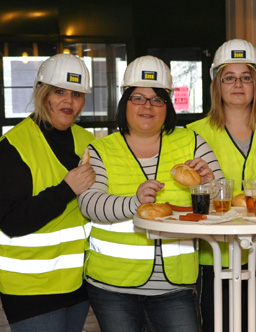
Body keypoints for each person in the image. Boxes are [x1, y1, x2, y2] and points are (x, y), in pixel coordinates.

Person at [77, 55, 223, 332]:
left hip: (175, 286)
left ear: (167, 106)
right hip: (112, 285)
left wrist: (208, 184)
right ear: (125, 102)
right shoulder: (100, 149)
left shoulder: (192, 142)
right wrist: (135, 202)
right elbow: (90, 204)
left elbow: (219, 205)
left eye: (157, 99)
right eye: (138, 98)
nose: (148, 106)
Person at [187, 39, 256, 332]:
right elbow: (188, 197)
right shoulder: (194, 134)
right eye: (229, 78)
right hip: (215, 257)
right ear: (217, 85)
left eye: (246, 77)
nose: (238, 84)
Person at [0, 54, 95, 331]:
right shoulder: (12, 147)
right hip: (31, 287)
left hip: (79, 281)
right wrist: (66, 190)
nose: (69, 101)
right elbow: (11, 222)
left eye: (76, 94)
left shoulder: (87, 142)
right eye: (59, 92)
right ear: (43, 93)